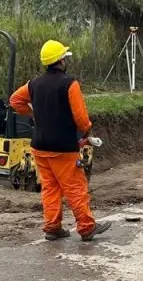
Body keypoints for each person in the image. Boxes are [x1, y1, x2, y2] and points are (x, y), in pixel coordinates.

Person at [9, 40, 112, 242]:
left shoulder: (34, 84)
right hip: (64, 149)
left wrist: (32, 115)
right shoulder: (69, 84)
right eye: (64, 57)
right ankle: (86, 227)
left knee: (50, 188)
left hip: (40, 147)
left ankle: (52, 227)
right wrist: (87, 130)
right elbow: (81, 118)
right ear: (61, 60)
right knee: (75, 187)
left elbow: (15, 100)